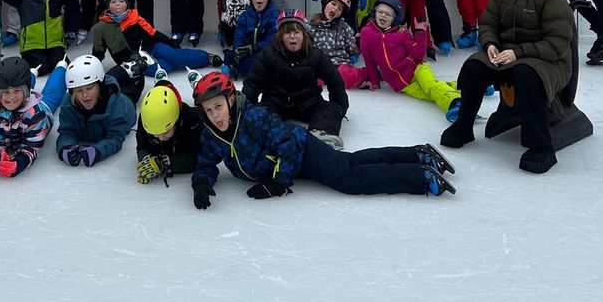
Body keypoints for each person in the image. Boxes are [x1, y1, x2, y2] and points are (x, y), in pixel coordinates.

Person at [190, 70, 456, 208]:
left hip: (301, 150)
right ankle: (417, 154)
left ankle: (421, 177)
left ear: (230, 100)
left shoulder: (254, 117)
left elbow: (285, 144)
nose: (215, 115)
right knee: (350, 162)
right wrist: (201, 183)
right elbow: (206, 161)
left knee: (350, 179)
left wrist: (278, 183)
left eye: (219, 106)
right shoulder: (212, 134)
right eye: (209, 110)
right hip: (289, 163)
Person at [441, 0, 573, 174]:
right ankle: (463, 127)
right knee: (474, 66)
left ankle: (541, 146)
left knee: (526, 74)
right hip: (507, 55)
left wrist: (518, 52)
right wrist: (490, 44)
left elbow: (557, 45)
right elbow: (488, 23)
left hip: (547, 61)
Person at [242, 10, 348, 150]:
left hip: (309, 102)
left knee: (332, 108)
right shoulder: (268, 54)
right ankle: (272, 137)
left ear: (304, 34)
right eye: (287, 33)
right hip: (276, 101)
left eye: (297, 32)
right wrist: (246, 112)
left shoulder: (315, 54)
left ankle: (321, 135)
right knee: (259, 113)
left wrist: (339, 110)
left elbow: (335, 81)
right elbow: (252, 84)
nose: (293, 36)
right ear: (280, 36)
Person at [357, 0, 462, 121]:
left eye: (388, 14)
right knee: (429, 93)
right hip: (400, 83)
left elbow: (418, 54)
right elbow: (369, 60)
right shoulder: (366, 33)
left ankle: (455, 104)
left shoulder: (401, 33)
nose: (383, 16)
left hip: (416, 68)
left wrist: (420, 32)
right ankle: (467, 87)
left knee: (431, 87)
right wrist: (374, 82)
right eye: (380, 12)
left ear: (394, 19)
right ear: (375, 13)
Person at [91, 0, 221, 75]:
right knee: (164, 68)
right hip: (134, 60)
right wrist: (93, 67)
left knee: (175, 56)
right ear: (108, 5)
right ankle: (172, 61)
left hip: (152, 46)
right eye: (113, 2)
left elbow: (152, 32)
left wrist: (171, 44)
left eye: (121, 1)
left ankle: (205, 57)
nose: (118, 4)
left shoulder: (134, 18)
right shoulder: (102, 27)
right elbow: (98, 50)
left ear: (127, 3)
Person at [0, 0, 79, 75]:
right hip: (32, 45)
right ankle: (34, 59)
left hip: (54, 44)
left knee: (64, 68)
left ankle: (50, 58)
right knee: (41, 69)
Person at [56, 55, 137, 168]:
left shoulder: (118, 107)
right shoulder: (68, 103)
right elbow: (66, 132)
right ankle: (124, 69)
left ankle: (134, 65)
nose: (85, 95)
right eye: (79, 90)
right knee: (109, 77)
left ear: (99, 86)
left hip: (128, 101)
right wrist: (64, 148)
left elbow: (115, 138)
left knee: (134, 86)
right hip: (102, 87)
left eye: (89, 88)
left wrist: (98, 152)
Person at [0, 56, 53, 178]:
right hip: (22, 106)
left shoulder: (37, 114)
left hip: (46, 111)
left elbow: (32, 146)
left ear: (26, 91)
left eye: (16, 91)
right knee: (17, 95)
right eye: (6, 92)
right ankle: (32, 74)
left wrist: (20, 162)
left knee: (53, 93)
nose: (11, 97)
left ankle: (60, 69)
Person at [135, 80, 203, 184]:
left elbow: (200, 157)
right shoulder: (146, 119)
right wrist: (146, 160)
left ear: (176, 121)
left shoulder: (192, 122)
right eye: (155, 134)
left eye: (165, 131)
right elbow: (143, 146)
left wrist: (165, 163)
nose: (161, 138)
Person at [223, 0, 280, 77]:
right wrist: (238, 49)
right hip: (248, 52)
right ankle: (236, 66)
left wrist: (253, 48)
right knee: (228, 56)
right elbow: (238, 35)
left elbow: (272, 40)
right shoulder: (244, 16)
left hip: (265, 53)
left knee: (264, 62)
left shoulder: (274, 16)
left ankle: (238, 68)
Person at [307, 0, 358, 89]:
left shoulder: (344, 27)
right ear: (325, 3)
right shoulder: (312, 26)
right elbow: (306, 46)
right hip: (319, 64)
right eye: (333, 4)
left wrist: (356, 47)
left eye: (340, 8)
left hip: (339, 64)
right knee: (308, 76)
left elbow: (351, 47)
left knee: (345, 76)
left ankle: (364, 74)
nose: (335, 9)